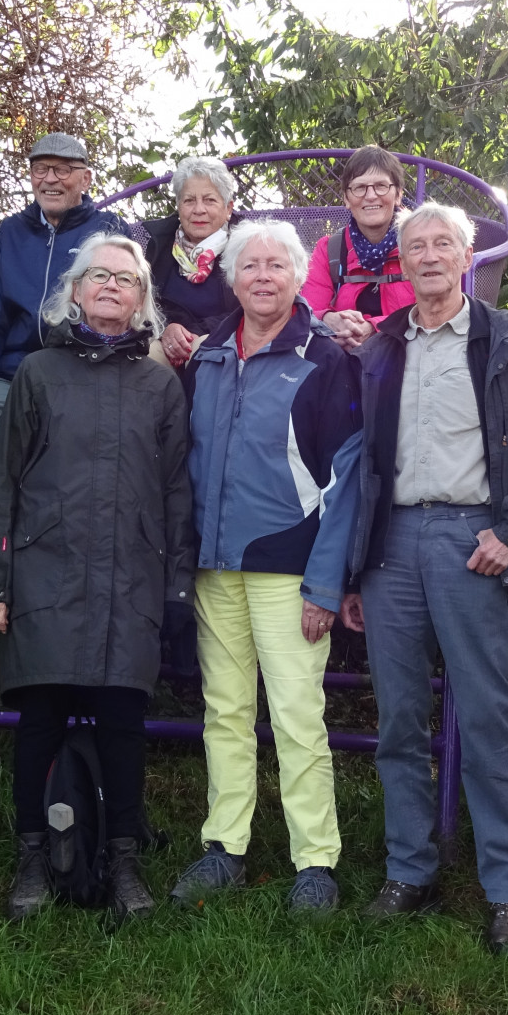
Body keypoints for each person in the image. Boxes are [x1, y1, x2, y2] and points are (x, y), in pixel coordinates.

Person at [339, 202, 508, 955]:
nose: (430, 255)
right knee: (399, 722)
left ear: (469, 255)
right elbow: (357, 465)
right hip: (390, 549)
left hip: (470, 541)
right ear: (401, 263)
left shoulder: (506, 339)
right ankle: (409, 871)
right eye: (416, 246)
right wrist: (353, 567)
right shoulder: (381, 345)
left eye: (443, 242)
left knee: (487, 720)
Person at [0, 234, 194, 922]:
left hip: (130, 577)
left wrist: (176, 585)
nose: (109, 286)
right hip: (44, 572)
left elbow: (176, 490)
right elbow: (2, 481)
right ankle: (33, 857)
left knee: (123, 720)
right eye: (97, 275)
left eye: (125, 280)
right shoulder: (38, 372)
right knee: (38, 718)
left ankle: (123, 858)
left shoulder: (160, 384)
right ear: (73, 292)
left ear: (141, 303)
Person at [170, 218, 364, 914]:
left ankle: (315, 861)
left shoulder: (324, 356)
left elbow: (346, 478)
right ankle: (224, 846)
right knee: (223, 711)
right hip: (214, 564)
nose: (260, 277)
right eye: (248, 266)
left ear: (293, 277)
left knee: (295, 715)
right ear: (232, 278)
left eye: (274, 266)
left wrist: (325, 580)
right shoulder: (209, 355)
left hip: (290, 566)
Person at [0, 134, 126, 533]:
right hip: (13, 375)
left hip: (79, 373)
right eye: (40, 169)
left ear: (85, 179)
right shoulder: (10, 232)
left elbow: (125, 305)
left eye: (62, 169)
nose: (50, 179)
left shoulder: (109, 229)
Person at [302, 145, 415, 352]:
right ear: (346, 198)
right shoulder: (330, 250)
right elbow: (307, 309)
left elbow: (435, 308)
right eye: (360, 187)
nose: (370, 196)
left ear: (398, 194)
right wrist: (328, 319)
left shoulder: (418, 244)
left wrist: (375, 327)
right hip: (345, 358)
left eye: (381, 186)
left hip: (409, 354)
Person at [141, 155, 243, 368]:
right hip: (168, 340)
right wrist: (167, 329)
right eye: (189, 200)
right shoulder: (160, 245)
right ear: (178, 206)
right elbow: (143, 303)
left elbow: (250, 306)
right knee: (148, 357)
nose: (198, 209)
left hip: (226, 339)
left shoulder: (246, 245)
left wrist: (195, 334)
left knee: (205, 352)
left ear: (228, 208)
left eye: (209, 200)